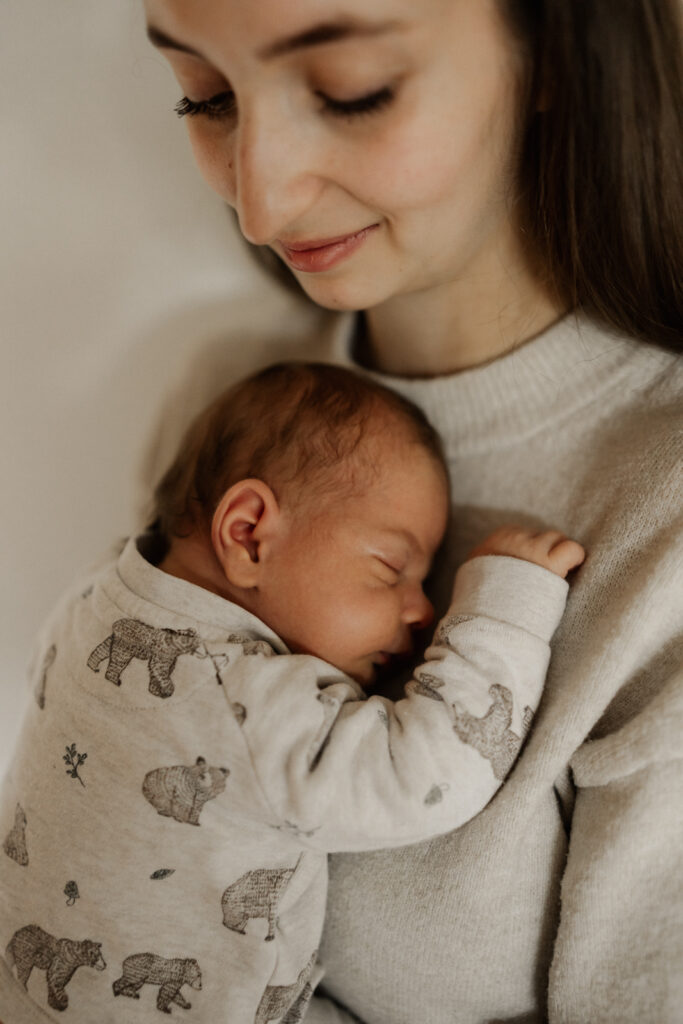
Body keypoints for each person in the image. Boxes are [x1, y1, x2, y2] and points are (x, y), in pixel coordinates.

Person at [135, 2, 682, 1021]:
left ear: (554, 51)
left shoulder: (666, 516)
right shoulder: (224, 411)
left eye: (352, 91)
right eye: (204, 97)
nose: (261, 204)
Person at [0, 362, 583, 1023]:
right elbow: (426, 776)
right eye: (391, 567)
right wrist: (503, 605)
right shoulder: (245, 701)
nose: (424, 611)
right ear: (248, 534)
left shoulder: (93, 597)